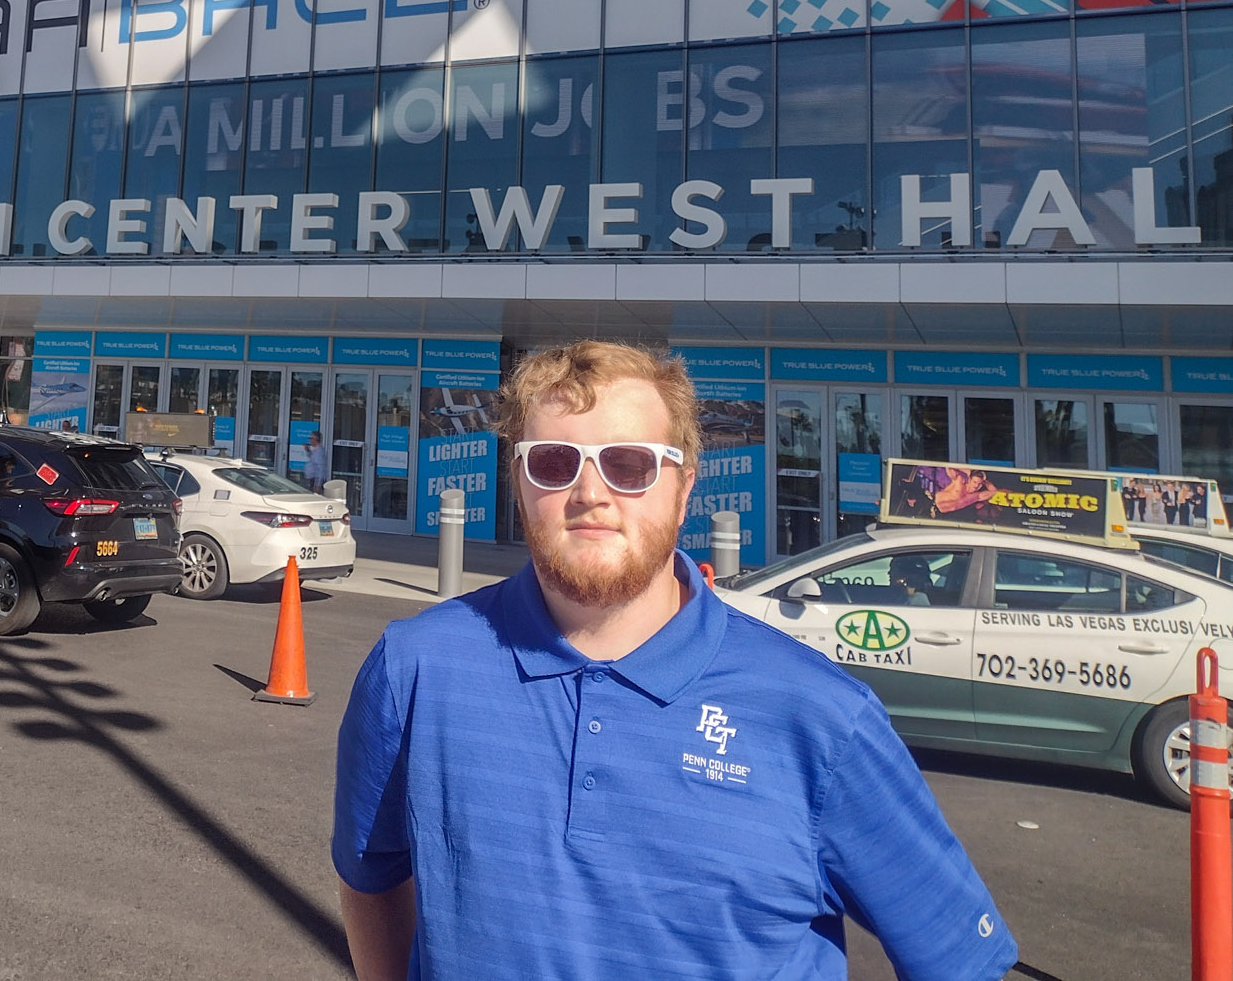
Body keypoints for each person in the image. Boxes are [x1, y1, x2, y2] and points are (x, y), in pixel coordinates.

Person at [334, 339, 1016, 981]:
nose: (590, 493)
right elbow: (370, 880)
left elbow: (959, 959)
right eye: (553, 461)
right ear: (518, 483)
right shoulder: (414, 669)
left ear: (685, 487)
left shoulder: (821, 718)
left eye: (629, 464)